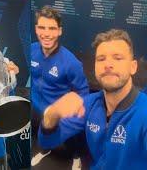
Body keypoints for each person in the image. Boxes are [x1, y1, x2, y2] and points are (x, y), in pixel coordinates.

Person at [38, 29, 147, 169]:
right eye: (101, 59)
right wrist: (52, 113)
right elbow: (46, 141)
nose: (108, 64)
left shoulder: (144, 112)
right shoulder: (89, 104)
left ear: (133, 67)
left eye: (118, 58)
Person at [30, 6, 89, 168]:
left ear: (59, 31)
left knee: (73, 141)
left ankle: (76, 157)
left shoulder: (71, 63)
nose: (46, 33)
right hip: (39, 109)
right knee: (43, 137)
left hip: (60, 114)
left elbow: (83, 93)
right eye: (42, 27)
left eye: (52, 28)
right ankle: (45, 150)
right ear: (36, 29)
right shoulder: (31, 51)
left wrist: (70, 108)